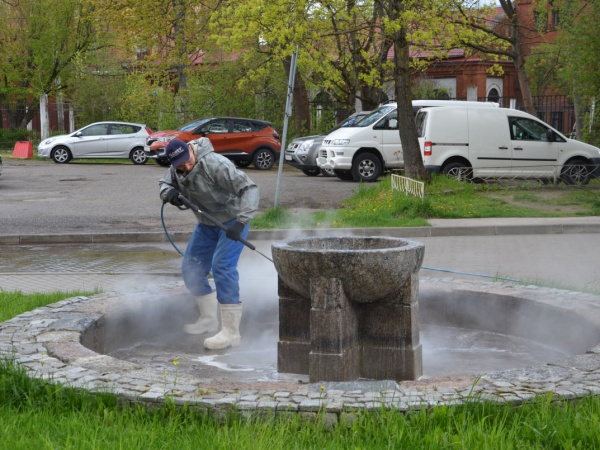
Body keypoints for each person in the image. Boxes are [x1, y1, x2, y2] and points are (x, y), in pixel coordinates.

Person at [159, 138, 259, 350]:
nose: (185, 166)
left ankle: (231, 333)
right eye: (180, 165)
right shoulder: (176, 166)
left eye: (187, 161)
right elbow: (164, 183)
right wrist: (169, 194)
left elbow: (250, 188)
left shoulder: (216, 164)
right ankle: (208, 320)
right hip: (206, 224)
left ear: (190, 150)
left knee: (222, 267)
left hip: (232, 223)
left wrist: (241, 222)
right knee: (191, 269)